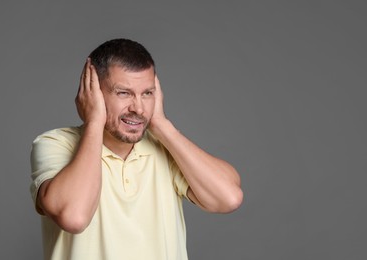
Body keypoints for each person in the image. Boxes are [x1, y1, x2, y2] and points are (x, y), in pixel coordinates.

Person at [30, 38, 243, 260]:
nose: (138, 108)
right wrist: (94, 121)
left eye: (147, 93)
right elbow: (74, 217)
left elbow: (229, 198)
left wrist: (162, 126)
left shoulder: (165, 148)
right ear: (93, 93)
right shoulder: (55, 144)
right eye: (124, 93)